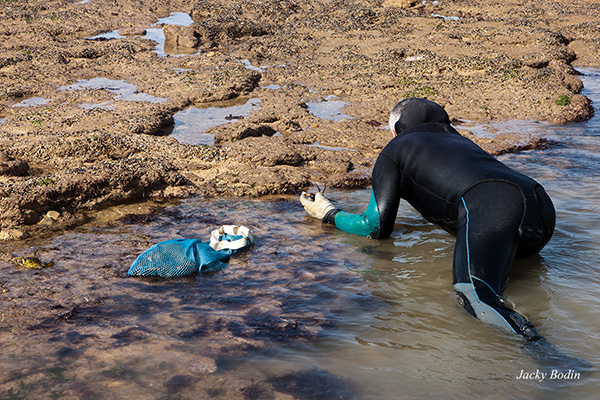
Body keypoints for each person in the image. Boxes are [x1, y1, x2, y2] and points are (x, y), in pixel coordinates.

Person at [300, 97, 556, 341]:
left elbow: (374, 227)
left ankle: (546, 354)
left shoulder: (395, 149)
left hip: (491, 206)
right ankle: (520, 314)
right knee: (501, 286)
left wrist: (329, 213)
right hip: (540, 205)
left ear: (394, 132)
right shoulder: (463, 142)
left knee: (474, 297)